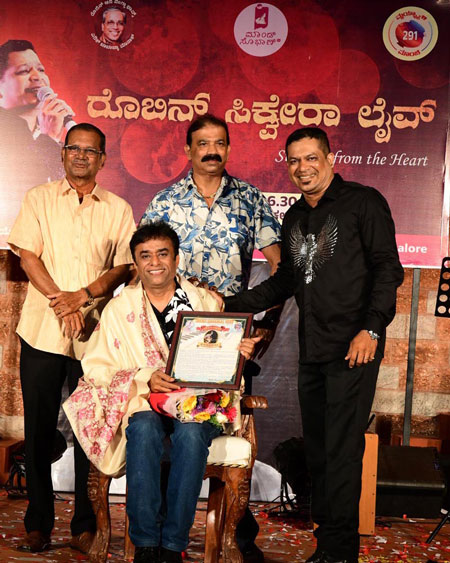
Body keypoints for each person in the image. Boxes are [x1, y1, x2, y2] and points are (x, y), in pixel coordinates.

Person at [219, 127, 404, 563]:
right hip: (313, 350)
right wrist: (226, 303)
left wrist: (372, 329)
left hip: (354, 348)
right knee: (319, 452)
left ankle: (340, 552)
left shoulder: (363, 202)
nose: (302, 168)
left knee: (342, 450)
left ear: (330, 158)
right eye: (294, 161)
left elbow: (387, 270)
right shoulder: (296, 217)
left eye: (311, 158)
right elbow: (285, 280)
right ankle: (327, 544)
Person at [63, 222, 261, 563]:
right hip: (144, 401)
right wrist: (145, 377)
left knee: (191, 433)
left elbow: (222, 362)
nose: (154, 262)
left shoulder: (204, 302)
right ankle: (145, 545)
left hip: (196, 404)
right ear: (136, 263)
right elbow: (96, 368)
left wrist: (238, 354)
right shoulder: (119, 309)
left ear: (176, 258)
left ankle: (171, 546)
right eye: (145, 256)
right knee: (142, 429)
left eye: (162, 254)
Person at [140, 113, 282, 561]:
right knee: (168, 429)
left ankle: (238, 535)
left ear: (228, 148)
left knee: (215, 427)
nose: (211, 151)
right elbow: (142, 265)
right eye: (202, 143)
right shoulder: (165, 201)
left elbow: (280, 267)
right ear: (188, 150)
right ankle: (161, 536)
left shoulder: (250, 199)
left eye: (219, 143)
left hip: (228, 341)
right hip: (171, 339)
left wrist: (263, 324)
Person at [7, 123, 136, 554]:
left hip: (94, 336)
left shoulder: (118, 208)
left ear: (103, 159)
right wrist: (62, 304)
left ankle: (85, 525)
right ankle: (38, 524)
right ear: (62, 154)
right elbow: (28, 256)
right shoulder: (38, 198)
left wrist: (83, 297)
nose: (81, 155)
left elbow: (123, 267)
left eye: (90, 150)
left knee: (89, 430)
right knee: (39, 431)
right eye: (73, 148)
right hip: (42, 331)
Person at [0, 39, 75, 238]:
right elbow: (26, 192)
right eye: (24, 71)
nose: (37, 77)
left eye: (41, 70)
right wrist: (49, 138)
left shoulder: (45, 131)